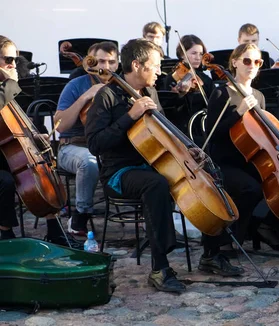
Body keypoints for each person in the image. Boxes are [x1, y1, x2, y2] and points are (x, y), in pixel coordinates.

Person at [86, 38, 202, 293]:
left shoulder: (151, 93)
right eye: (156, 65)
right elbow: (95, 143)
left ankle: (214, 253)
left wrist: (185, 148)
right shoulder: (106, 96)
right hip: (119, 173)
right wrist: (130, 116)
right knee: (157, 184)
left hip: (149, 166)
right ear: (137, 65)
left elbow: (161, 136)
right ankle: (160, 268)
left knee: (200, 176)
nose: (161, 71)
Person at [201, 43, 275, 276]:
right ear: (234, 62)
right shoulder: (222, 92)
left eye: (257, 62)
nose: (252, 66)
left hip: (250, 159)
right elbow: (213, 132)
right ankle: (220, 246)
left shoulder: (259, 96)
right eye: (247, 61)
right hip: (222, 162)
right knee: (249, 189)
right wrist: (239, 111)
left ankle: (241, 237)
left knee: (270, 186)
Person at [0, 35, 80, 247]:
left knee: (40, 172)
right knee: (5, 181)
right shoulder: (6, 88)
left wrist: (33, 136)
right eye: (7, 59)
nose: (12, 65)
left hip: (6, 155)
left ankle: (55, 230)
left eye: (15, 60)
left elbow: (13, 128)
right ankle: (5, 233)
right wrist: (9, 84)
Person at [55, 41, 119, 236]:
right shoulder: (76, 85)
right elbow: (60, 125)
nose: (106, 67)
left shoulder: (120, 84)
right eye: (100, 61)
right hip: (72, 147)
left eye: (112, 62)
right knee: (89, 161)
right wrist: (85, 97)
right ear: (89, 63)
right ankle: (80, 216)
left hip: (107, 147)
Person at [161, 34, 213, 136]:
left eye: (200, 54)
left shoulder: (205, 79)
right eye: (193, 53)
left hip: (200, 130)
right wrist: (180, 95)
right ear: (182, 54)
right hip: (180, 130)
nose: (198, 58)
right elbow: (167, 108)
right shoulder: (172, 78)